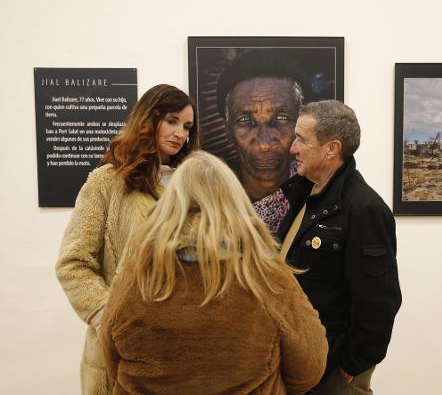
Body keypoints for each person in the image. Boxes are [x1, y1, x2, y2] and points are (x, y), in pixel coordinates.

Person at [99, 151, 328, 395]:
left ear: (172, 202)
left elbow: (111, 356)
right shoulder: (265, 275)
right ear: (233, 199)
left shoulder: (138, 273)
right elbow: (309, 368)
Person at [55, 84, 200, 395]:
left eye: (187, 127)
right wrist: (110, 318)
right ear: (149, 119)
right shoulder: (109, 181)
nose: (180, 134)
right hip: (119, 350)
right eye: (172, 121)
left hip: (181, 345)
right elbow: (73, 263)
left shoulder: (193, 188)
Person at [277, 100, 402, 394]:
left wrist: (349, 369)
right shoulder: (305, 195)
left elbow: (379, 303)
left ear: (332, 148)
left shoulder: (364, 209)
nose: (292, 148)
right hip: (305, 363)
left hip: (334, 372)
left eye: (301, 139)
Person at [217, 49, 311, 232]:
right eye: (245, 120)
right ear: (227, 130)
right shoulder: (209, 204)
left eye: (281, 118)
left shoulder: (321, 200)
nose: (264, 144)